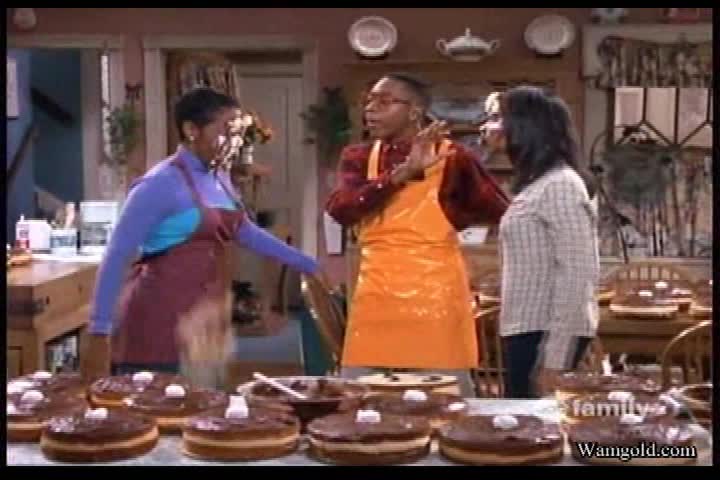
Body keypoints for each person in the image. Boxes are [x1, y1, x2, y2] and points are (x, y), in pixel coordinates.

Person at [82, 87, 319, 378]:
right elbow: (117, 256)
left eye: (238, 132)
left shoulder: (219, 177)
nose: (235, 142)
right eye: (226, 131)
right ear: (191, 130)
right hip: (157, 323)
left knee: (205, 404)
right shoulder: (159, 183)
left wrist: (309, 265)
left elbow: (246, 232)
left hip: (201, 329)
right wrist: (99, 330)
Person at [326, 73, 510, 397]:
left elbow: (501, 211)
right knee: (359, 401)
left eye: (384, 102)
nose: (370, 109)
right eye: (369, 101)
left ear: (414, 111)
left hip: (437, 300)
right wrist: (399, 176)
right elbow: (341, 210)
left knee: (449, 401)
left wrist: (458, 220)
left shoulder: (453, 158)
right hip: (376, 299)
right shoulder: (358, 157)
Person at [491, 86, 600, 398]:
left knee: (538, 422)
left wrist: (556, 359)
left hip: (543, 333)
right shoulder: (539, 183)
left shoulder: (560, 185)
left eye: (500, 118)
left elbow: (578, 273)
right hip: (527, 329)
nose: (492, 126)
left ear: (525, 127)